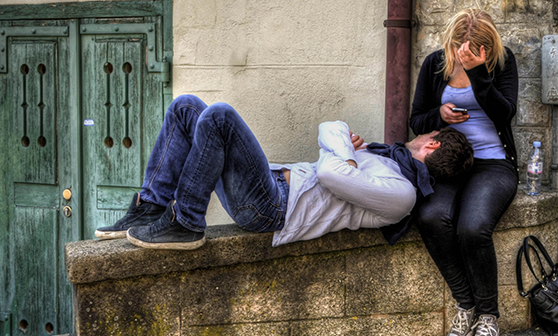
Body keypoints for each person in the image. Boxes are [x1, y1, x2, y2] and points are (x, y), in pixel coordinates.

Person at [94, 95, 473, 250]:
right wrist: (346, 156)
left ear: (432, 144)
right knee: (186, 107)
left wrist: (346, 159)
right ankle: (151, 207)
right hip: (269, 184)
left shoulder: (401, 192)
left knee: (221, 116)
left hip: (272, 208)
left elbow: (330, 175)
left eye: (427, 132)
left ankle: (187, 221)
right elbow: (330, 126)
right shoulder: (385, 157)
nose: (420, 132)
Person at [409, 9, 519, 336]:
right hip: (448, 165)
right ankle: (466, 306)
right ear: (451, 41)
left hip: (493, 164)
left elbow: (505, 113)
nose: (465, 52)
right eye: (461, 45)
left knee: (472, 227)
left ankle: (488, 316)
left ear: (489, 47)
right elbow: (416, 120)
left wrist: (477, 74)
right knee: (430, 217)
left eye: (476, 48)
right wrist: (438, 115)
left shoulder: (502, 63)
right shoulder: (435, 65)